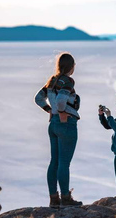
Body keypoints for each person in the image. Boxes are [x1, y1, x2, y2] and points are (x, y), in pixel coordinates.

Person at [34, 52, 82, 208]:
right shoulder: (68, 81)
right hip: (66, 123)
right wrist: (62, 112)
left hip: (53, 124)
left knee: (54, 162)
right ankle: (66, 198)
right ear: (71, 66)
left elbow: (38, 98)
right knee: (64, 163)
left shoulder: (52, 81)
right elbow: (61, 100)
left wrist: (50, 110)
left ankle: (54, 199)